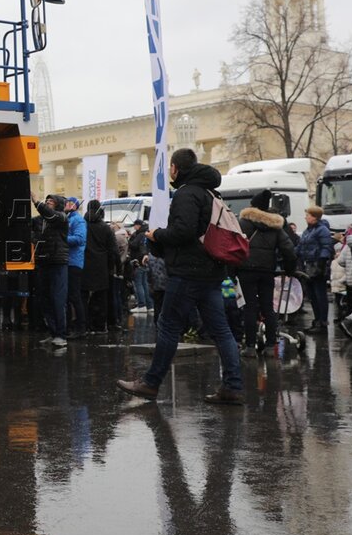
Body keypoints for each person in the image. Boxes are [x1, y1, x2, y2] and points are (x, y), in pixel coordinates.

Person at [116, 148, 244, 405]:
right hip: (211, 272)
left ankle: (151, 383)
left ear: (175, 168)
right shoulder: (210, 192)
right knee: (221, 330)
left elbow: (183, 232)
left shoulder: (187, 193)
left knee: (168, 326)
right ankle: (232, 386)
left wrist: (157, 235)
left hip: (188, 272)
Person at [236, 189, 296, 354]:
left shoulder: (242, 224)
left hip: (246, 270)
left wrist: (231, 271)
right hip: (267, 271)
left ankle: (250, 347)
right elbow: (288, 248)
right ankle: (270, 346)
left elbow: (233, 247)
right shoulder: (274, 226)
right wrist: (290, 269)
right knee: (268, 307)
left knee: (249, 307)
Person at [31, 193, 70, 347]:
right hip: (43, 262)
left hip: (58, 262)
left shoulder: (61, 217)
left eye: (51, 201)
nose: (47, 202)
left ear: (58, 205)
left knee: (58, 299)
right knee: (44, 299)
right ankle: (53, 332)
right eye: (46, 201)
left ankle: (61, 335)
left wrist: (36, 202)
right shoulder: (40, 220)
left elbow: (49, 214)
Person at [296, 206, 335, 332]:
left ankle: (322, 322)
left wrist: (321, 264)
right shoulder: (308, 231)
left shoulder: (322, 230)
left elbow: (326, 247)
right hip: (308, 265)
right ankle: (317, 320)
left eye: (308, 215)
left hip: (317, 265)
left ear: (314, 217)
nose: (305, 217)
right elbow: (300, 247)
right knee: (312, 296)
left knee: (320, 295)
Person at [81, 201, 116, 333]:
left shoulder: (82, 225)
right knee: (101, 298)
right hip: (101, 266)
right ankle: (99, 325)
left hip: (83, 265)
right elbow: (113, 250)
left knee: (83, 297)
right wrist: (112, 267)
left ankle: (84, 324)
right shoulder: (105, 228)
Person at [64, 197, 87, 337]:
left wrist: (62, 238)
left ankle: (81, 328)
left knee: (74, 296)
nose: (66, 204)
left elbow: (80, 239)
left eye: (69, 203)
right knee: (68, 296)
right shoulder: (68, 218)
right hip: (68, 261)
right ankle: (69, 327)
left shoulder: (78, 220)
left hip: (74, 262)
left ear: (74, 206)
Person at [128, 220, 154, 312]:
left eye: (135, 225)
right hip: (145, 261)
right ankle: (149, 305)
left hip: (138, 261)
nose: (134, 227)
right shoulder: (147, 233)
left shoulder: (139, 235)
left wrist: (129, 239)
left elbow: (134, 245)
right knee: (144, 284)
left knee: (138, 284)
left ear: (138, 226)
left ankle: (141, 304)